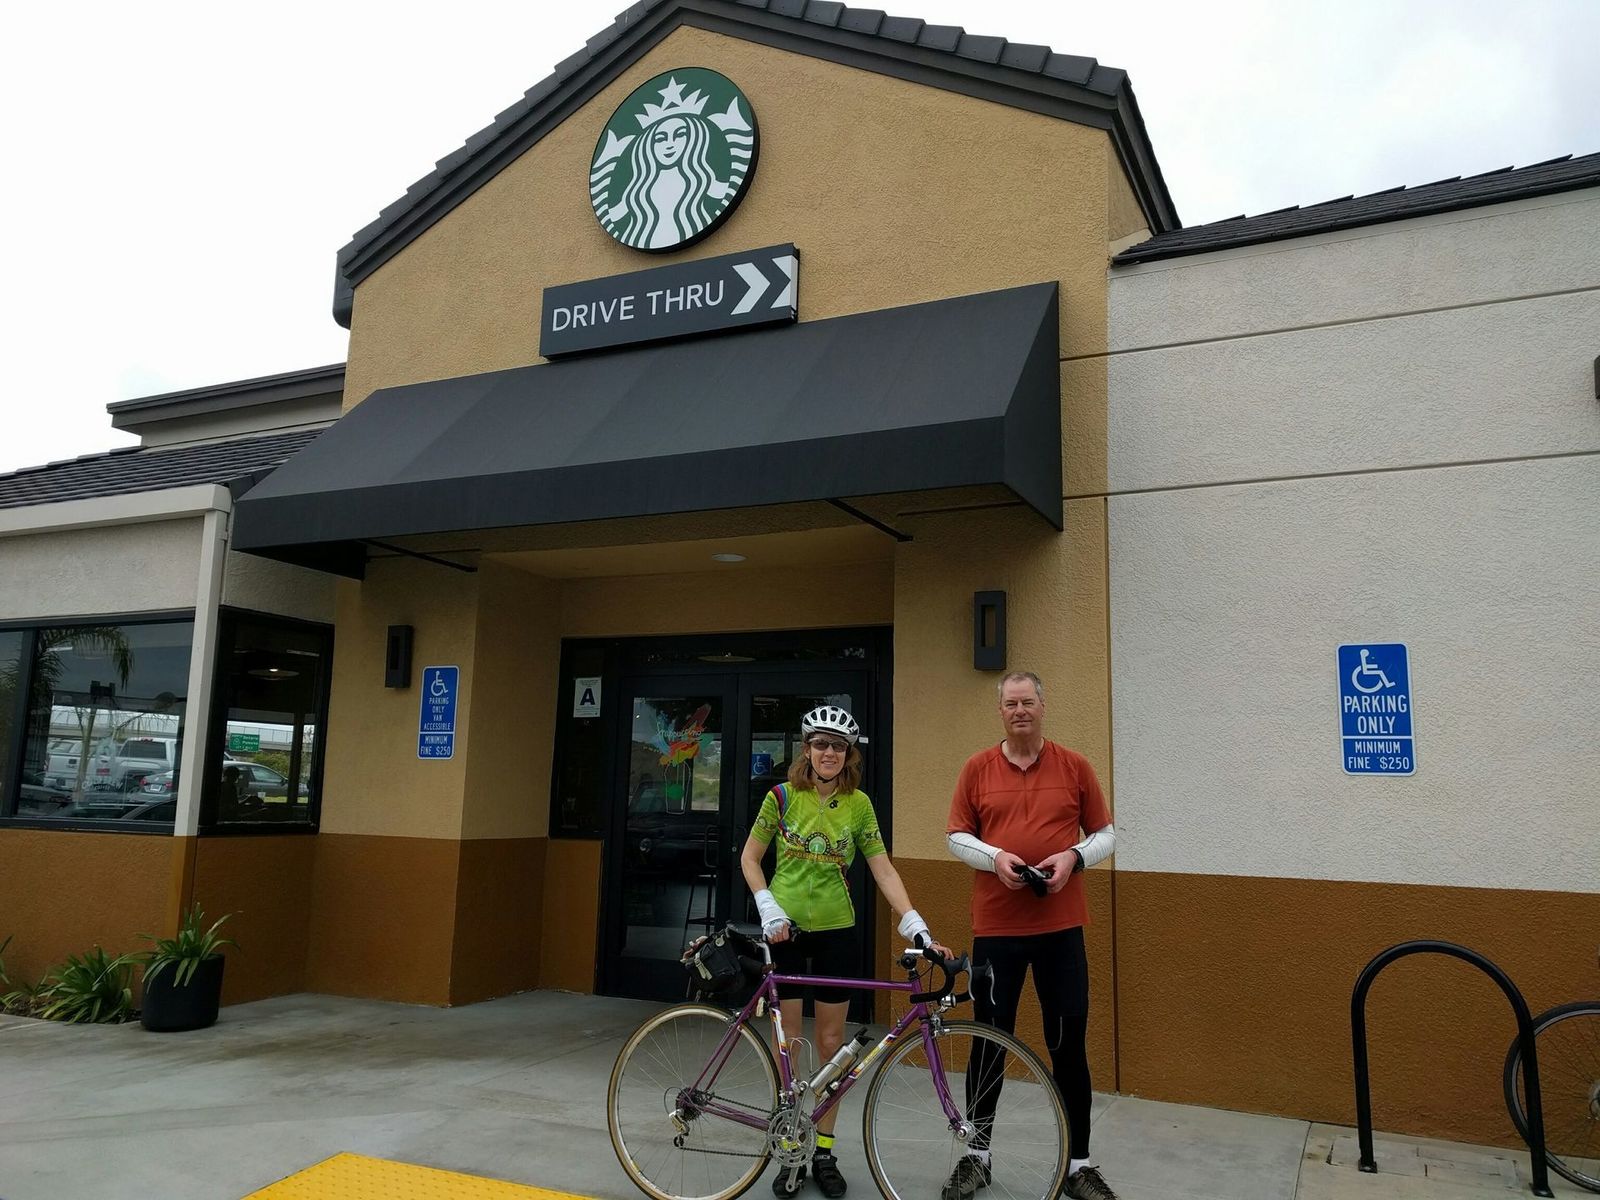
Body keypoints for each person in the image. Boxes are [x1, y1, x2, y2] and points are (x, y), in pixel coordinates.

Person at [740, 704, 943, 1199]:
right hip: (785, 932)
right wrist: (767, 906)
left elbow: (882, 869)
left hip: (837, 931)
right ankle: (792, 1145)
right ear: (806, 749)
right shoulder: (781, 796)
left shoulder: (859, 804)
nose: (828, 752)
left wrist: (914, 922)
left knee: (832, 1045)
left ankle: (824, 1150)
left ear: (849, 754)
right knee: (789, 1043)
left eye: (838, 746)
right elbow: (750, 857)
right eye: (820, 744)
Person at [943, 671, 1118, 1200]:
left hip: (1060, 930)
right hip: (996, 931)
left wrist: (1073, 858)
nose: (1020, 710)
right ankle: (977, 1157)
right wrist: (995, 857)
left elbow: (1106, 834)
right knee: (988, 1044)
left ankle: (1079, 1165)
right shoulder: (976, 768)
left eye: (1028, 702)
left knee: (1068, 1046)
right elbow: (956, 836)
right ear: (1000, 711)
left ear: (1043, 707)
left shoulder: (1075, 766)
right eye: (1011, 703)